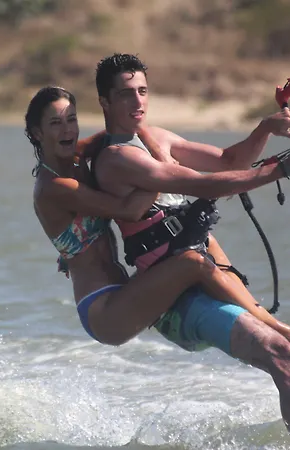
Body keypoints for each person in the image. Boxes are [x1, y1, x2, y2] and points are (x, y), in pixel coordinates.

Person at [80, 53, 290, 428]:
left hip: (210, 276)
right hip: (177, 302)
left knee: (285, 353)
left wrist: (266, 128)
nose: (138, 101)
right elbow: (202, 185)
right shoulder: (115, 160)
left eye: (143, 91)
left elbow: (228, 161)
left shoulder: (159, 138)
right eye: (126, 94)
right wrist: (280, 169)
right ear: (105, 102)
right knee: (280, 354)